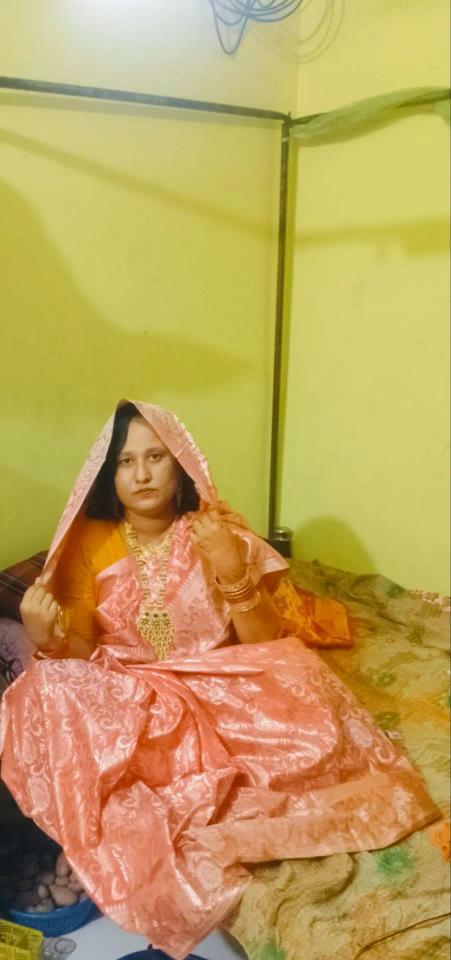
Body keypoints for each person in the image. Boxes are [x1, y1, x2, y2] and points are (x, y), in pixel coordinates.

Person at [0, 401, 437, 960]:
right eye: (126, 461)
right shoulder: (90, 540)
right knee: (47, 684)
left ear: (180, 463)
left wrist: (232, 570)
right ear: (108, 475)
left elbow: (264, 642)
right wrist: (50, 638)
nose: (141, 474)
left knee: (301, 669)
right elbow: (84, 652)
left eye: (155, 457)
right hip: (129, 686)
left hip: (216, 678)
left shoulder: (215, 529)